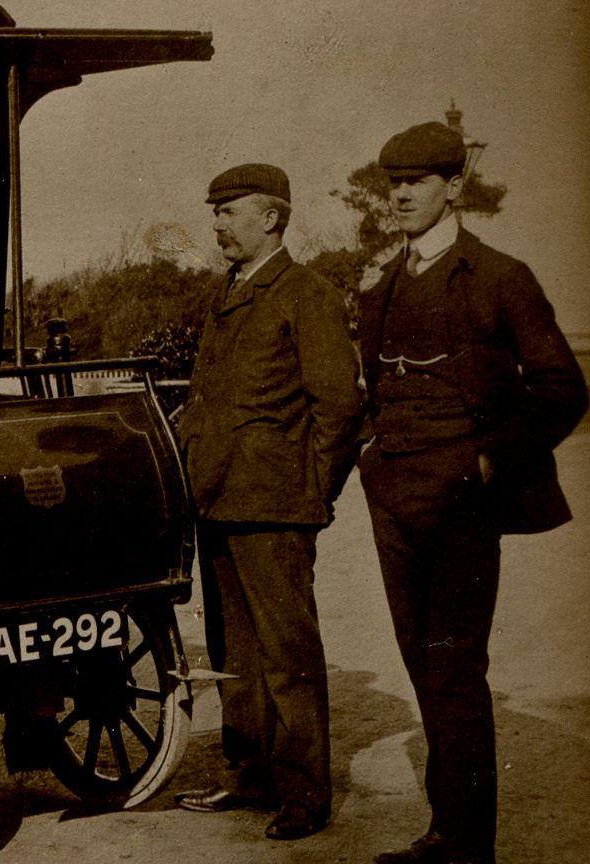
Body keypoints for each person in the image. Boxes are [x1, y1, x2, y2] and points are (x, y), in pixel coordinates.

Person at [358, 123, 586, 864]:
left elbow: (560, 389)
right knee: (423, 664)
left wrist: (489, 461)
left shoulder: (499, 276)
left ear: (454, 187)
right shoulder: (385, 279)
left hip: (460, 499)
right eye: (392, 182)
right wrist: (370, 457)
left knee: (454, 667)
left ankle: (465, 844)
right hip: (393, 494)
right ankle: (444, 831)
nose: (398, 195)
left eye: (416, 182)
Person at [172, 164, 363, 840]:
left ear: (271, 219)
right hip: (220, 499)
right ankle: (249, 774)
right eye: (215, 210)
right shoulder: (230, 290)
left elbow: (340, 406)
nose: (218, 223)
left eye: (230, 210)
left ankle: (305, 795)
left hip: (275, 506)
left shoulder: (305, 293)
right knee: (235, 655)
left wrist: (309, 490)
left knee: (287, 659)